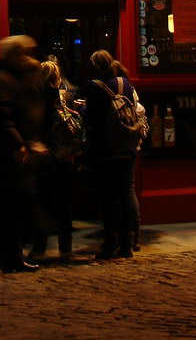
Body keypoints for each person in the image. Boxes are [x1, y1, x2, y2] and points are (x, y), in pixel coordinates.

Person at [0, 34, 44, 273]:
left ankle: (12, 254)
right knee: (12, 207)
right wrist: (18, 144)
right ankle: (12, 257)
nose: (28, 58)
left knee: (13, 207)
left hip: (11, 154)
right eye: (24, 53)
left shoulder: (9, 78)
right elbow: (3, 116)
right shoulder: (3, 80)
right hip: (8, 157)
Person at [83, 50, 143, 260]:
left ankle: (111, 241)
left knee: (108, 196)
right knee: (126, 192)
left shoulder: (94, 86)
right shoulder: (124, 82)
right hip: (126, 145)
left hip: (104, 148)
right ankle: (129, 242)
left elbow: (91, 118)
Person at [29, 59, 78, 261]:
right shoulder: (66, 97)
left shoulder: (34, 98)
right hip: (63, 157)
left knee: (41, 203)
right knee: (63, 205)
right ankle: (65, 248)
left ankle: (39, 247)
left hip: (42, 157)